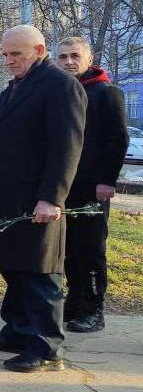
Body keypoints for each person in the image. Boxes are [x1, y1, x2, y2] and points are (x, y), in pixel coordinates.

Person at [0, 26, 86, 373]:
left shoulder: (61, 86)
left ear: (38, 49)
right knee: (14, 265)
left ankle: (47, 347)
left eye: (15, 54)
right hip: (9, 195)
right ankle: (18, 330)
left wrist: (52, 197)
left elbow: (66, 147)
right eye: (5, 54)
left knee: (40, 271)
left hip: (38, 198)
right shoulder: (16, 86)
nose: (8, 60)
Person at [55, 37, 128, 333]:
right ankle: (74, 302)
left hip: (92, 186)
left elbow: (117, 139)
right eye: (62, 57)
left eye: (75, 56)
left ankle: (93, 309)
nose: (69, 62)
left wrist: (107, 180)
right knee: (68, 248)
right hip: (64, 186)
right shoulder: (60, 91)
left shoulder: (106, 92)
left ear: (89, 59)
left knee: (90, 248)